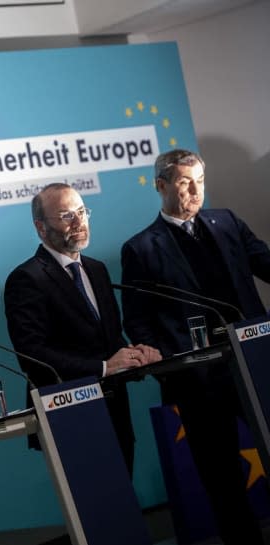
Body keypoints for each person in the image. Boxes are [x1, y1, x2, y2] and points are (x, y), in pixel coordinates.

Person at [121, 148, 270, 545]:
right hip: (200, 382)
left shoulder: (227, 223)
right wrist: (155, 352)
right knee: (223, 481)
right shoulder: (141, 249)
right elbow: (137, 319)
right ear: (161, 185)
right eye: (185, 182)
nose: (195, 190)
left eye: (199, 181)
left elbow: (266, 264)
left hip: (256, 366)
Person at [4, 183, 160, 475]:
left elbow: (110, 337)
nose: (79, 223)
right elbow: (32, 355)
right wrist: (102, 367)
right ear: (41, 228)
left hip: (115, 411)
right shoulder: (27, 279)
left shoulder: (96, 269)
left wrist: (135, 354)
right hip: (70, 416)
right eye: (66, 216)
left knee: (124, 505)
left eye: (81, 212)